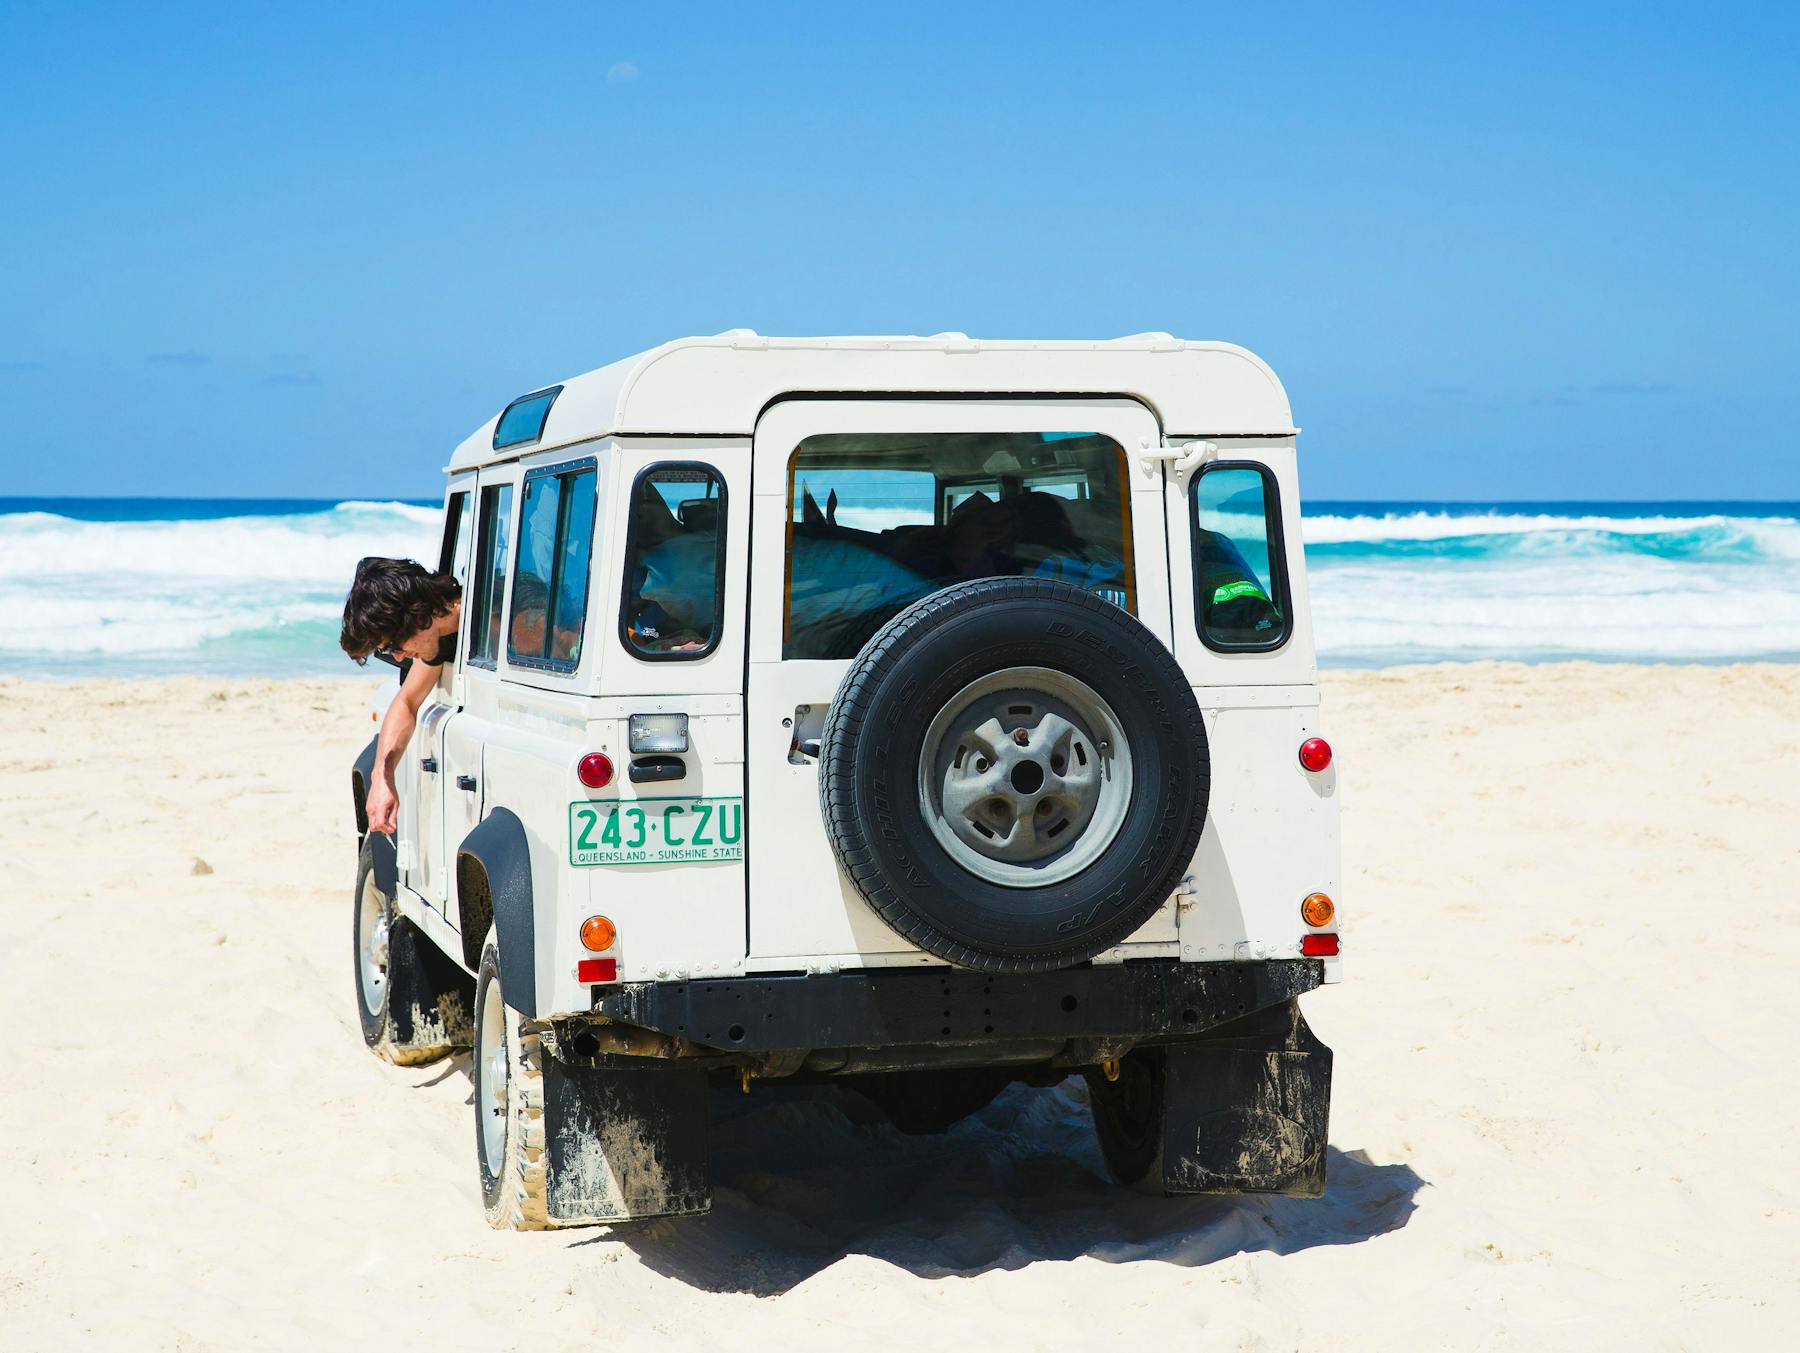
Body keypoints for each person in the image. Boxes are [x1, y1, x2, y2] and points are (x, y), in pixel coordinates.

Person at [339, 557, 462, 836]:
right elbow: (406, 702)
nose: (398, 656)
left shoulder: (500, 621)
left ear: (415, 615)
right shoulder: (439, 639)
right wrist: (382, 778)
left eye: (395, 645)